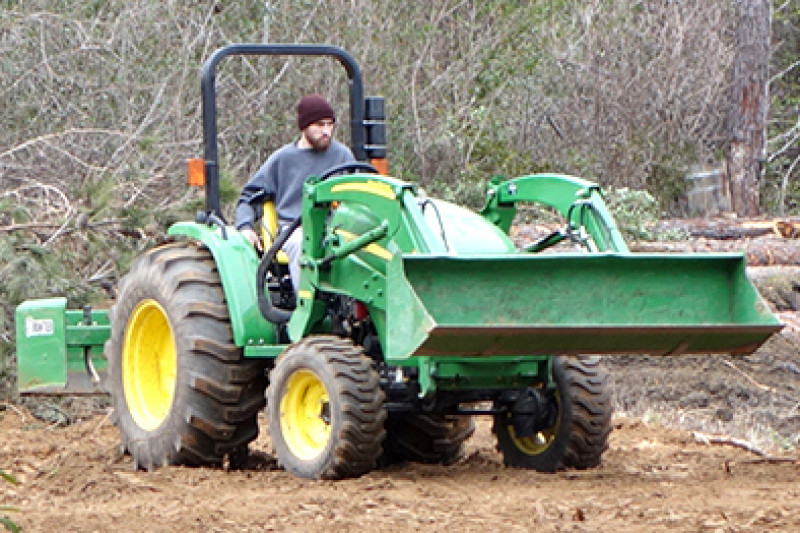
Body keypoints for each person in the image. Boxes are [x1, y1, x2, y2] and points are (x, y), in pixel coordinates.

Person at [235, 94, 354, 293]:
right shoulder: (282, 160)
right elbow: (248, 197)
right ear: (304, 126)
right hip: (294, 229)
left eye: (330, 125)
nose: (326, 131)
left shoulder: (343, 156)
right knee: (303, 243)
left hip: (337, 226)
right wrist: (245, 226)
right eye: (320, 125)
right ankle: (308, 310)